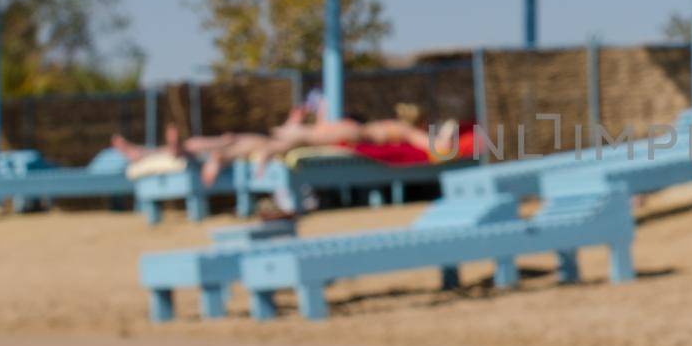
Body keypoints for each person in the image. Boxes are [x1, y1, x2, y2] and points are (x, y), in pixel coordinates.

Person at [111, 111, 466, 186]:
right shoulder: (389, 125)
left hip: (331, 137)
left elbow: (431, 146)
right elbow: (432, 143)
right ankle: (150, 152)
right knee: (236, 137)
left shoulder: (392, 127)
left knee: (271, 141)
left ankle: (191, 152)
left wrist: (443, 142)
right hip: (315, 134)